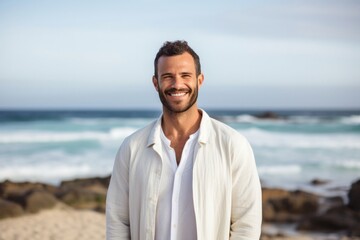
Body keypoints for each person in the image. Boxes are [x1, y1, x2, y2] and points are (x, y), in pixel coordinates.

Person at [106, 40, 262, 240]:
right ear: (156, 83)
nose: (177, 84)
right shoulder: (132, 148)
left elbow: (246, 224)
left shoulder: (233, 145)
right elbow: (117, 220)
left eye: (185, 75)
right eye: (168, 77)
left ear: (200, 80)